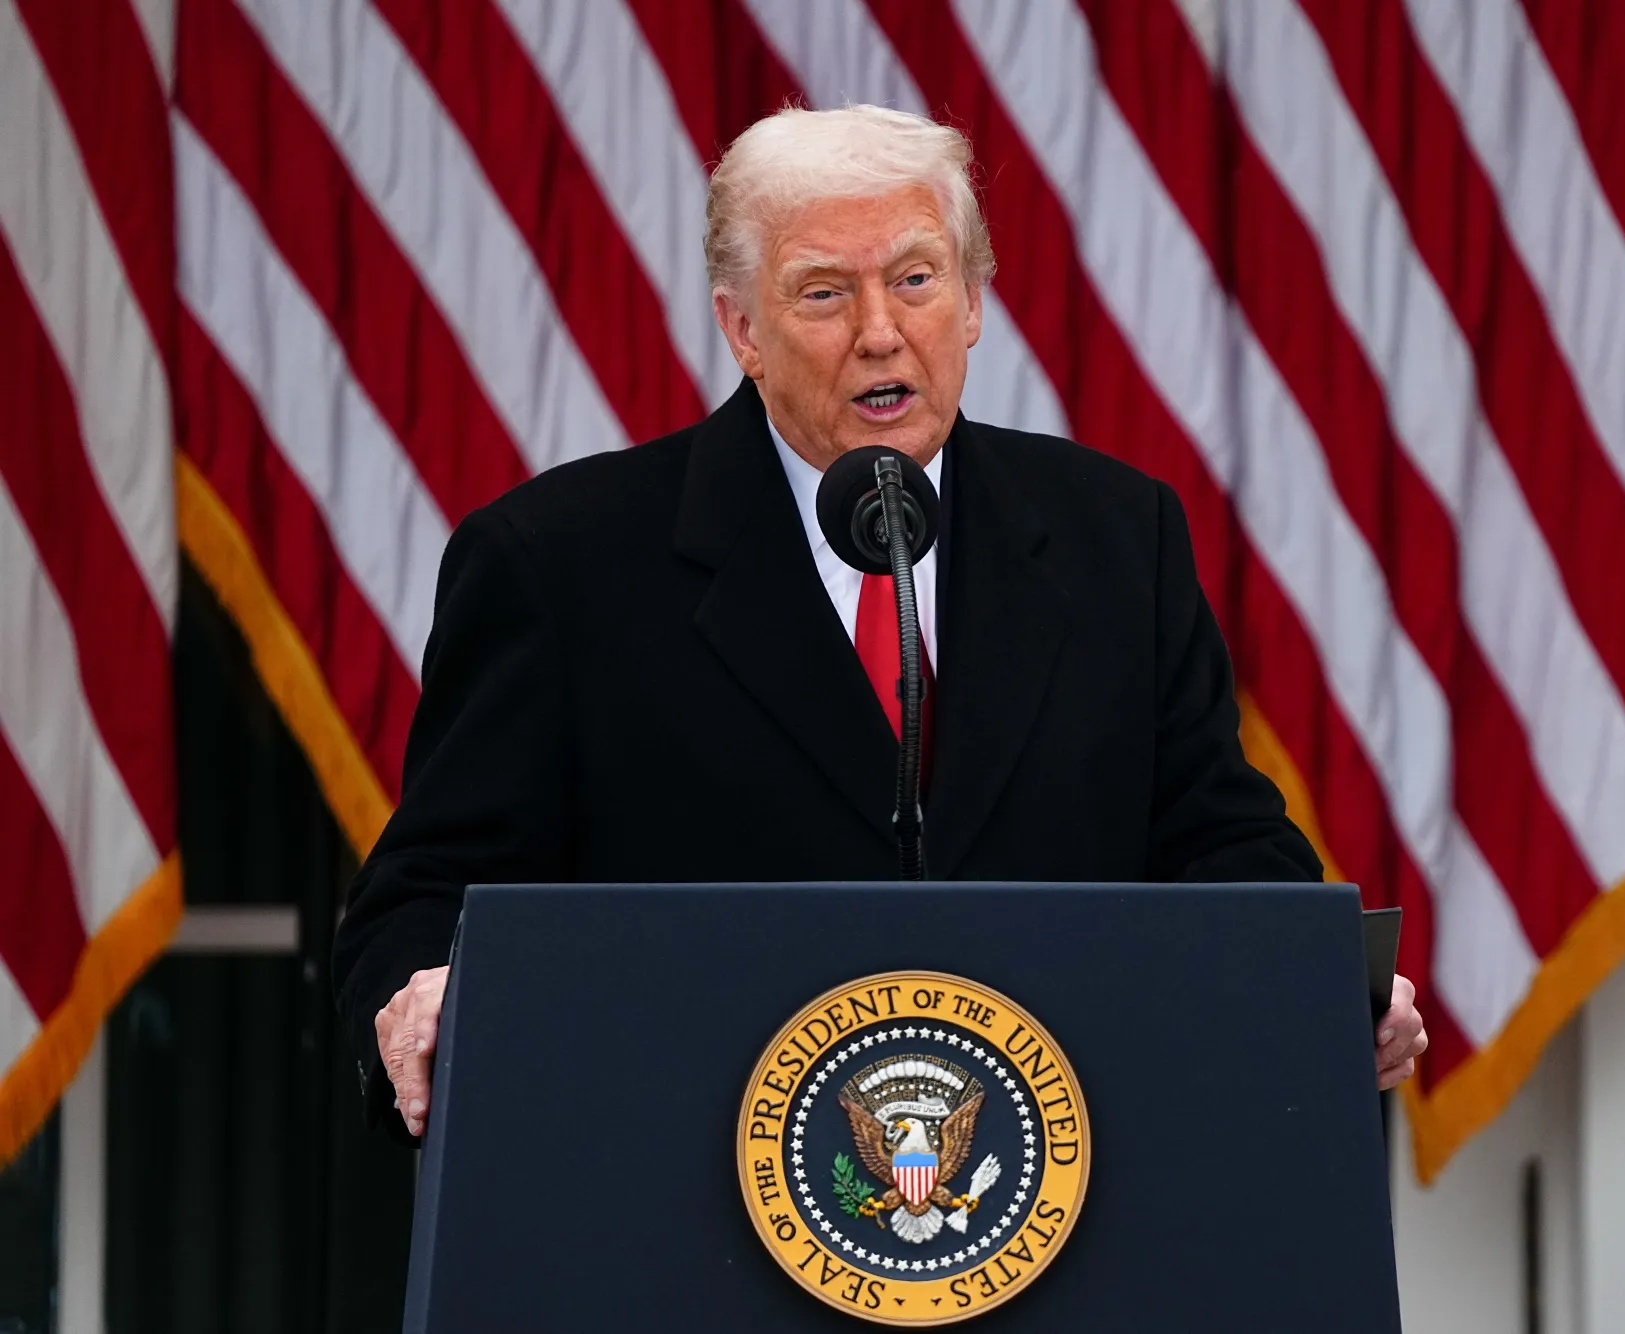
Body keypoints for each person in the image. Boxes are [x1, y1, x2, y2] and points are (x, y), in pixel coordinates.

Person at [332, 105, 1427, 1143]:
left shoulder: (1114, 535)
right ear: (742, 328)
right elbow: (425, 897)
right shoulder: (559, 562)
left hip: (1057, 1183)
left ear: (973, 301)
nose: (879, 333)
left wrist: (1323, 984)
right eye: (822, 293)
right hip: (690, 1180)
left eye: (915, 279)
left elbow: (1219, 842)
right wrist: (420, 1003)